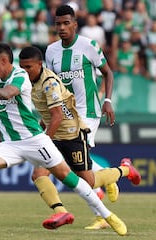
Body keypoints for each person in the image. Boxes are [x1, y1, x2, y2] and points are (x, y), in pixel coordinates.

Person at [0, 42, 128, 236]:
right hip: (11, 144)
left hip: (35, 140)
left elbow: (7, 94)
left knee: (71, 179)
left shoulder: (20, 77)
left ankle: (108, 216)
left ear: (4, 61)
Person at [19, 46, 141, 230]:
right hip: (55, 135)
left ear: (39, 64)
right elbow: (49, 115)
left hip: (72, 134)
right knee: (38, 174)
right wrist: (42, 130)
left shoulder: (49, 82)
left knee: (88, 181)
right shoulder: (31, 84)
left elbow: (58, 116)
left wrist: (42, 141)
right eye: (22, 68)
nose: (25, 72)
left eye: (28, 67)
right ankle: (60, 211)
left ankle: (125, 169)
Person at [45, 5, 123, 230]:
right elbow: (52, 85)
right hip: (66, 114)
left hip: (88, 112)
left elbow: (108, 72)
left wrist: (107, 101)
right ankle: (108, 177)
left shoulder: (89, 46)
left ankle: (101, 217)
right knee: (75, 165)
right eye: (58, 23)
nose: (61, 27)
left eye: (66, 23)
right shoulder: (51, 51)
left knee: (78, 167)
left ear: (75, 24)